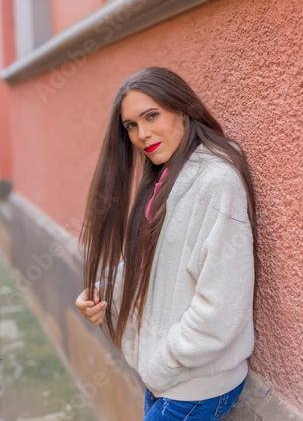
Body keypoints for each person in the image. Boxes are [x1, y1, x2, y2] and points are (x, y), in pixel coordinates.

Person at [75, 66, 257, 420]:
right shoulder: (168, 176)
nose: (142, 134)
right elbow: (152, 262)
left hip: (194, 388)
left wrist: (161, 364)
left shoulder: (216, 183)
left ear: (184, 109)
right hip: (170, 382)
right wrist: (104, 290)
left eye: (151, 116)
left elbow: (221, 309)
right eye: (131, 125)